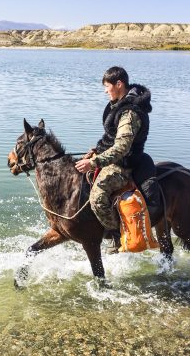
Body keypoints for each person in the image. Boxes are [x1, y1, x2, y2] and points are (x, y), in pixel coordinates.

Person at [75, 66, 153, 253]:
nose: (105, 91)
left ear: (119, 84)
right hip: (109, 157)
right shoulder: (119, 104)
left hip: (122, 165)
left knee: (97, 197)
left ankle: (116, 235)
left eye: (107, 86)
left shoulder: (129, 113)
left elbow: (122, 147)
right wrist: (95, 151)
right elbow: (110, 137)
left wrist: (93, 162)